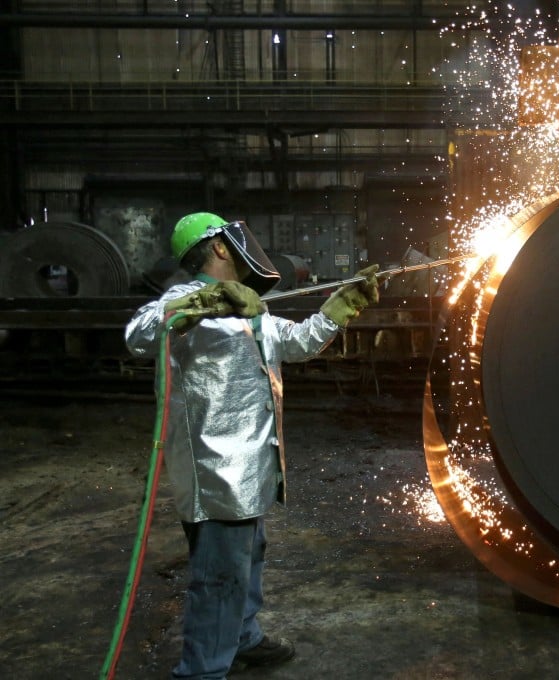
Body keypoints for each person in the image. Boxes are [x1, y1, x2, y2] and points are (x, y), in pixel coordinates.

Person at [125, 212, 379, 679]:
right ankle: (202, 670)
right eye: (234, 241)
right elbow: (139, 333)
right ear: (220, 247)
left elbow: (297, 342)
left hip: (253, 464)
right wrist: (206, 300)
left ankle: (242, 636)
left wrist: (341, 308)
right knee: (219, 577)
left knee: (248, 557)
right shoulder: (184, 300)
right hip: (215, 471)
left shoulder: (249, 311)